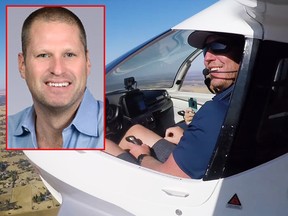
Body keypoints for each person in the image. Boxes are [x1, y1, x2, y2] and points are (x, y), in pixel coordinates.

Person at [105, 31, 245, 179]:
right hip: (215, 163)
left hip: (176, 184)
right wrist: (186, 137)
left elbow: (168, 175)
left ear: (244, 54)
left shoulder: (215, 112)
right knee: (136, 130)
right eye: (205, 50)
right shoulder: (240, 98)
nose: (207, 59)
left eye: (219, 46)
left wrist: (142, 155)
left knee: (103, 144)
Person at [7, 7, 104, 149]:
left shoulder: (114, 134)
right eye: (43, 55)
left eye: (69, 55)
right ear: (22, 65)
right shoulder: (8, 131)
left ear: (87, 62)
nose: (57, 70)